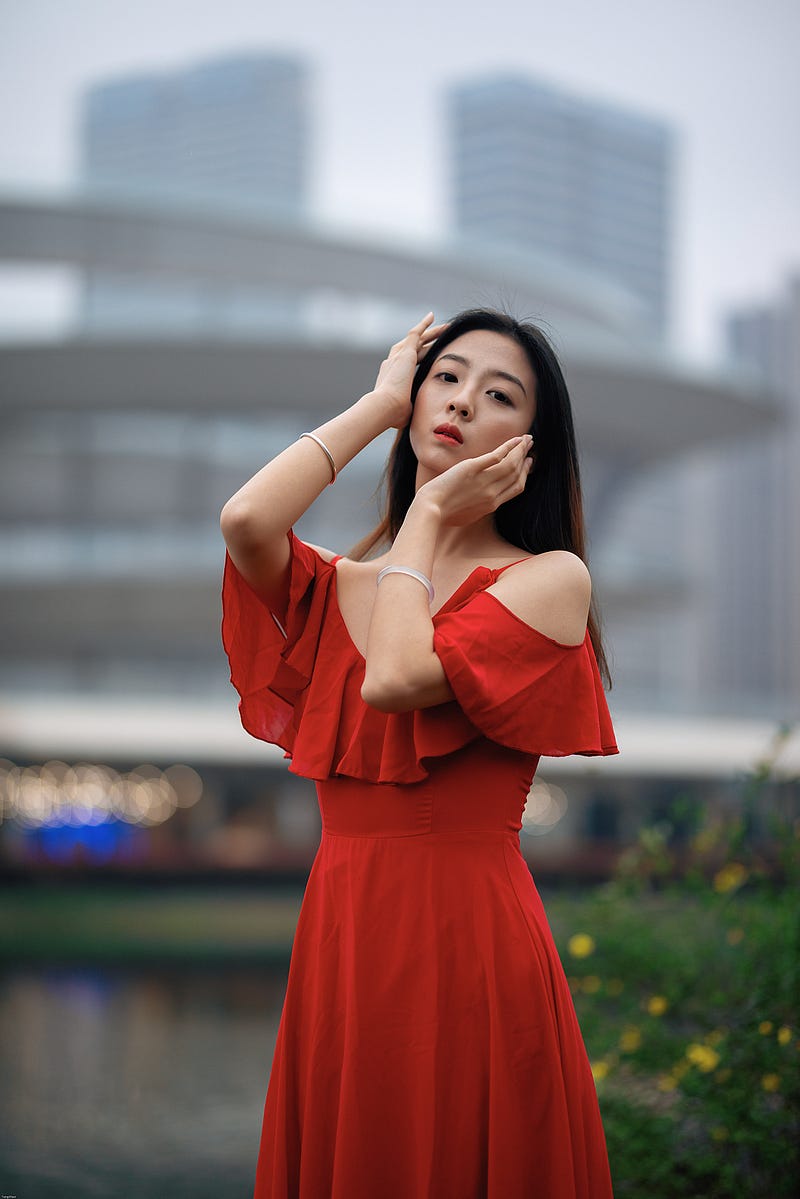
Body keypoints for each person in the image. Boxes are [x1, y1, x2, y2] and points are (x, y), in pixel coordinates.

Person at [220, 308, 619, 1198]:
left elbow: (397, 676)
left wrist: (432, 513)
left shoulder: (547, 579)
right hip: (343, 936)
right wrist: (376, 404)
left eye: (499, 394)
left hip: (466, 941)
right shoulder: (335, 588)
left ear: (528, 444)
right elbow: (247, 517)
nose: (463, 401)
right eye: (447, 377)